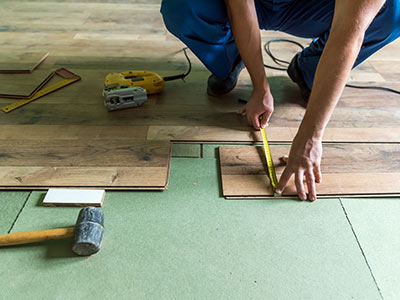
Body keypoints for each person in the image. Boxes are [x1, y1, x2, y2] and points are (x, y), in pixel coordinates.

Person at [160, 0, 400, 201]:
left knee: (392, 13)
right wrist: (260, 87)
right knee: (181, 5)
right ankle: (230, 58)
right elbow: (240, 6)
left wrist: (311, 137)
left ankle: (311, 70)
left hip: (314, 7)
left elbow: (349, 32)